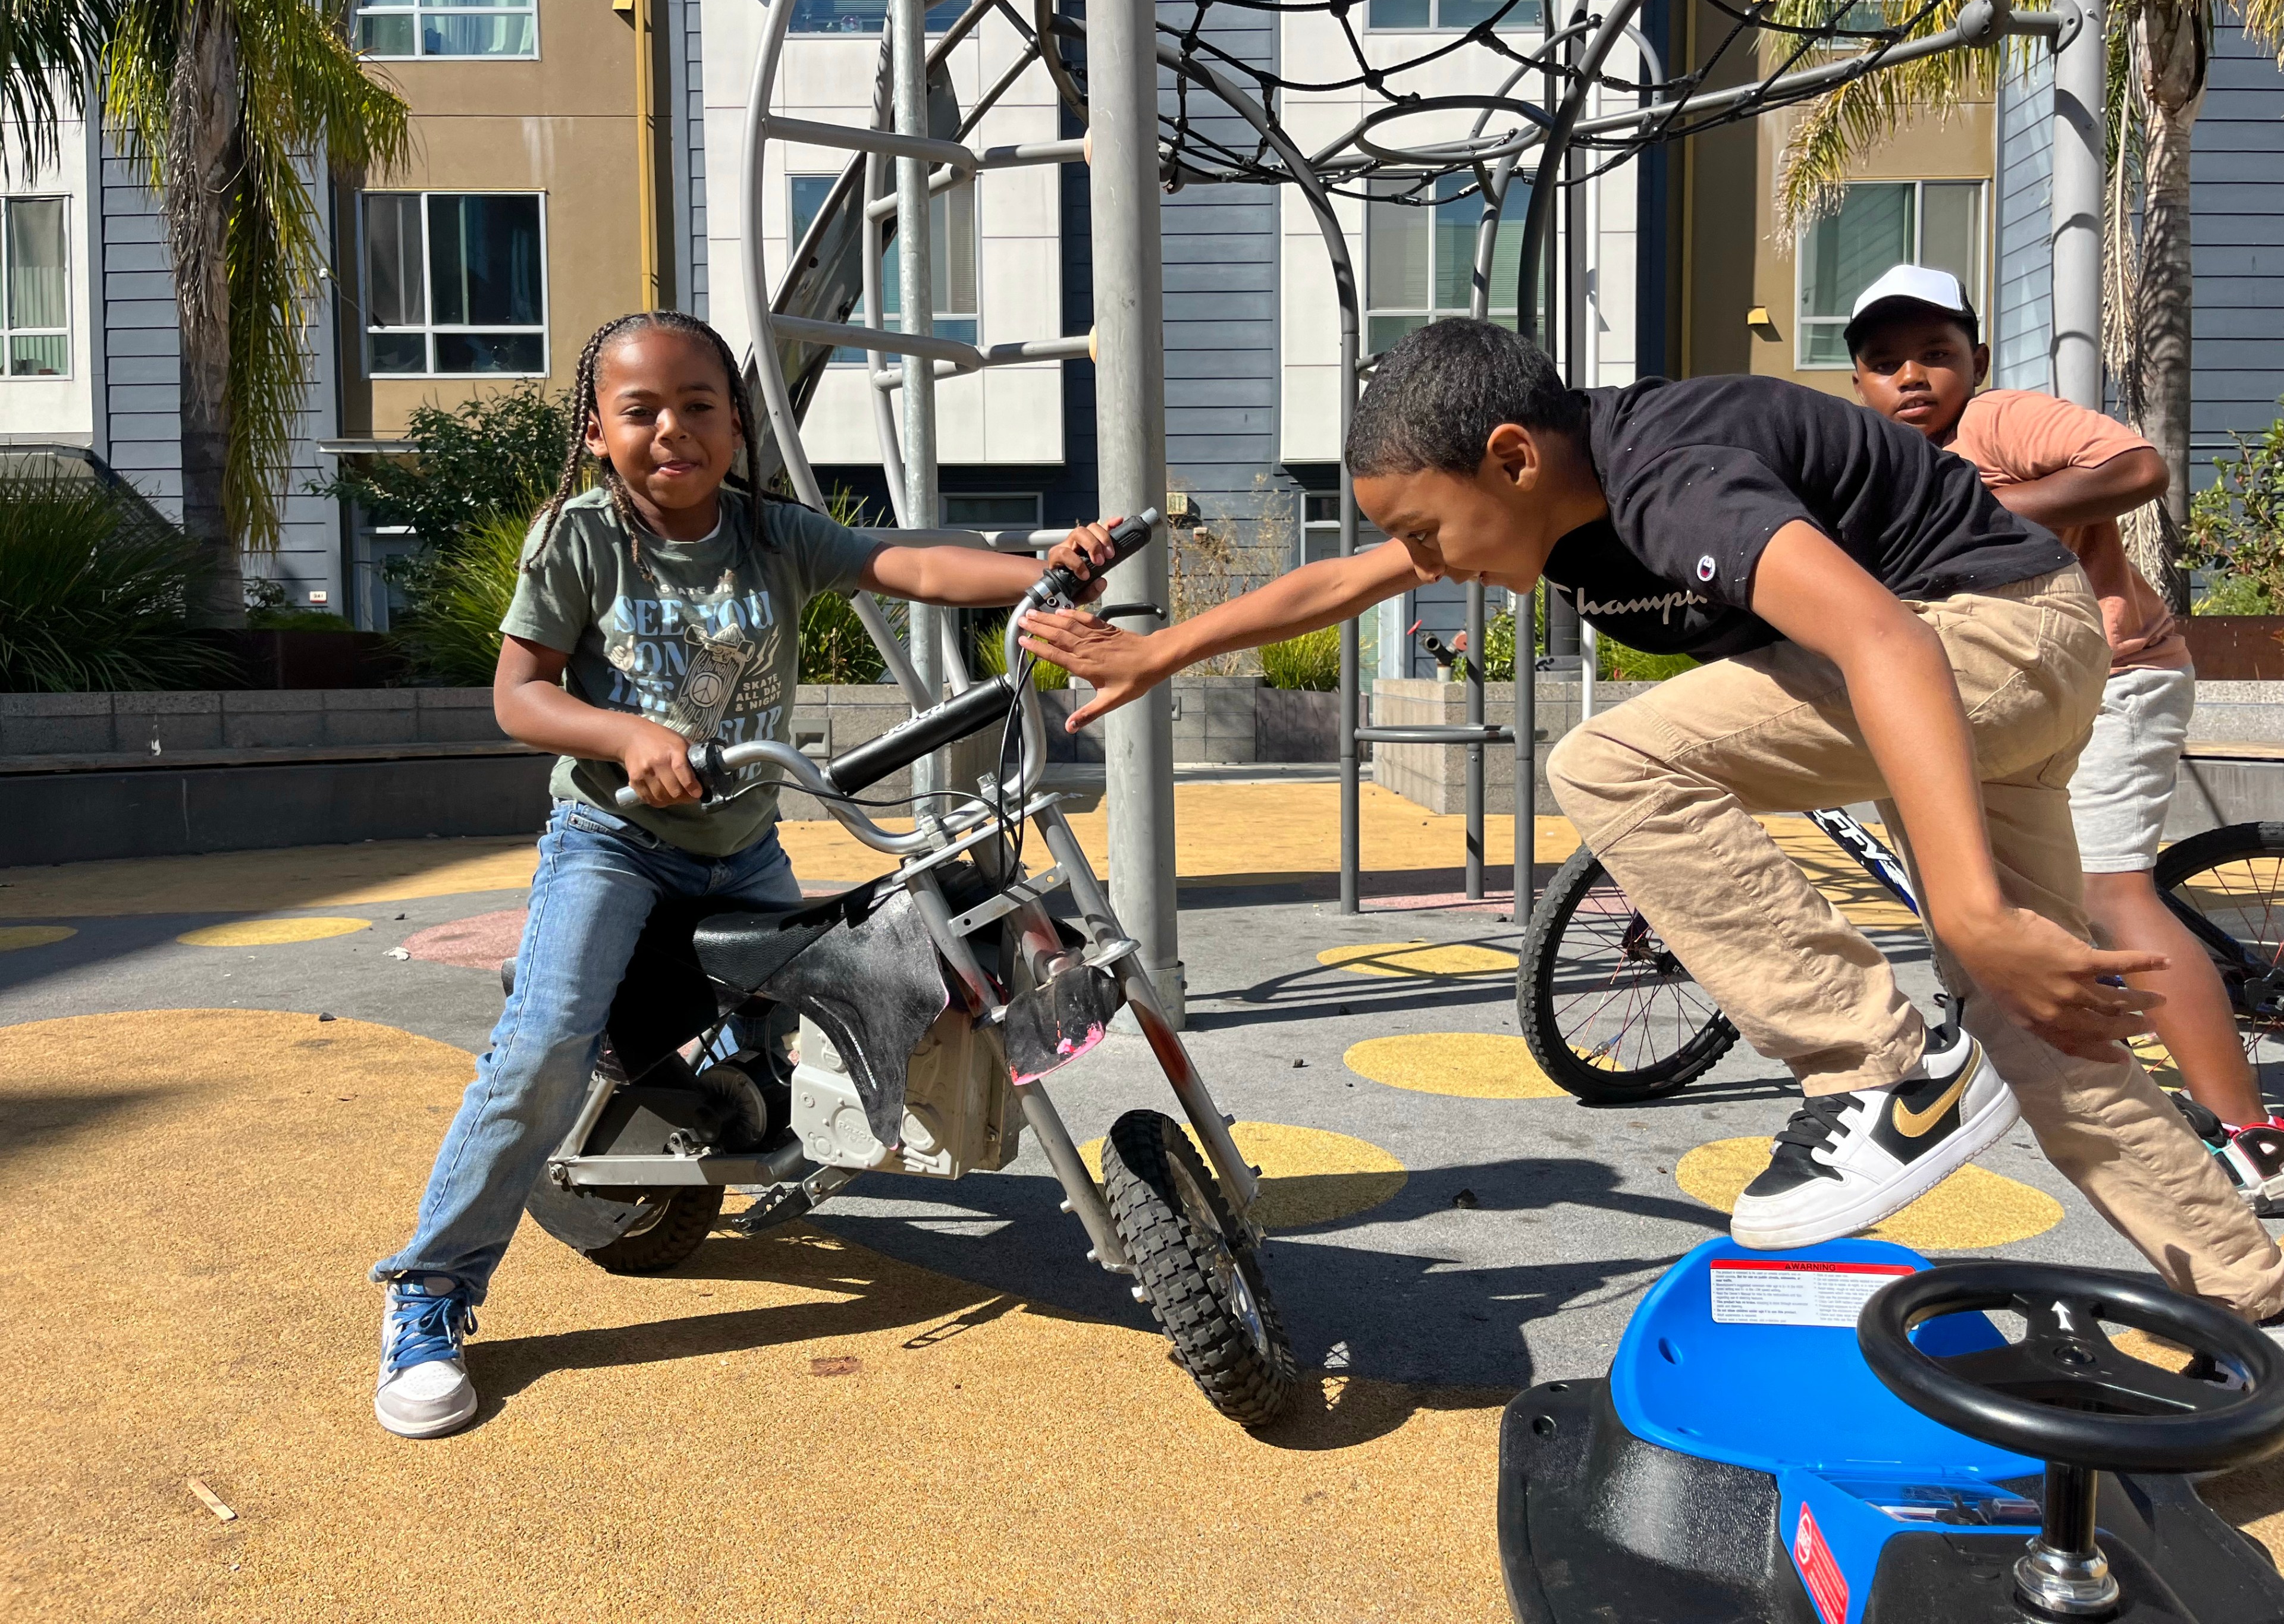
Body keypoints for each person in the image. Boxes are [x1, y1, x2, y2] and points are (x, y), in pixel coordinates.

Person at [1022, 316, 2284, 1324]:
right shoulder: (1548, 499)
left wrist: (1961, 908)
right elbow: (1342, 579)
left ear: (1512, 456)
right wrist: (1165, 649)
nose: (1429, 562)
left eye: (1429, 529)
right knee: (2047, 1034)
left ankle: (1880, 1069)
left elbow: (1879, 633)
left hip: (1978, 638)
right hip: (2008, 658)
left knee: (1616, 759)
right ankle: (2255, 1297)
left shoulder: (1671, 475)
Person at [371, 309, 1118, 1439]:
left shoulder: (773, 534)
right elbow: (519, 694)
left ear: (736, 424)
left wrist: (1037, 569)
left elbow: (903, 558)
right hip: (611, 841)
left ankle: (727, 1091)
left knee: (830, 995)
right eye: (642, 410)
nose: (673, 429)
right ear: (597, 430)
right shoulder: (580, 540)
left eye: (699, 406)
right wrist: (624, 738)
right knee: (542, 1044)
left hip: (743, 843)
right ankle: (431, 1292)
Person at [1846, 264, 2284, 1215]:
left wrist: (1981, 512)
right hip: (2012, 699)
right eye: (1886, 362)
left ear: (1978, 361)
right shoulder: (1870, 470)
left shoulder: (1998, 424)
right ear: (1859, 387)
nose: (1912, 376)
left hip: (2119, 675)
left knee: (2105, 895)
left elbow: (2138, 469)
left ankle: (2253, 1138)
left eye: (1936, 353)